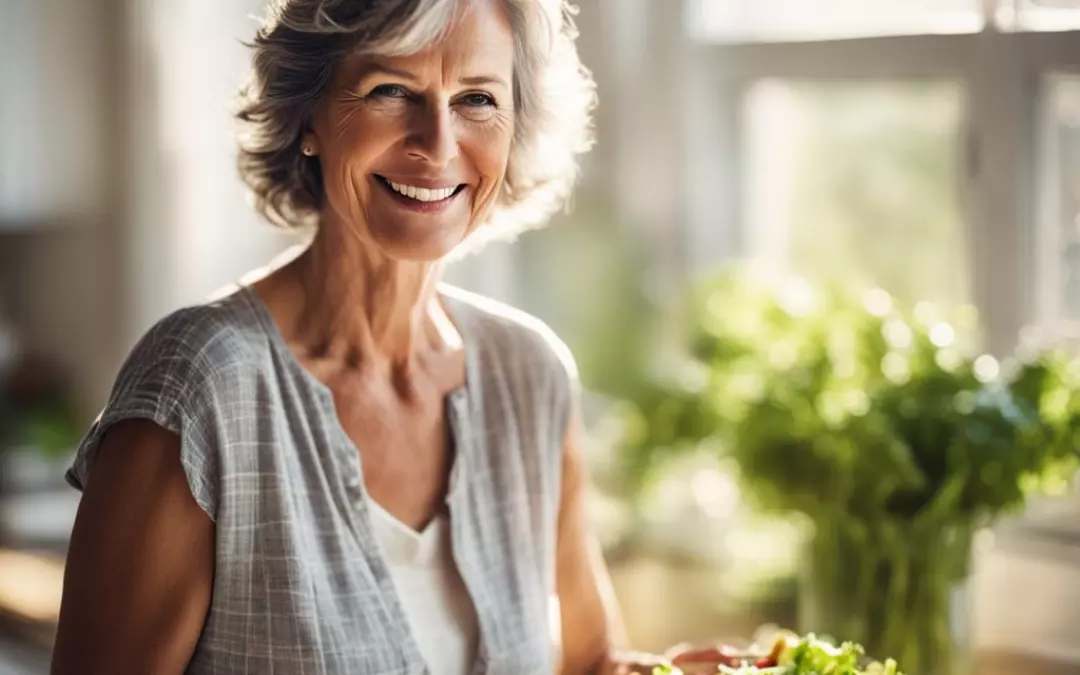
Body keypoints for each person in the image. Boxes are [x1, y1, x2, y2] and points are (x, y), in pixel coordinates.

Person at [49, 0, 688, 673]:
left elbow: (587, 659)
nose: (437, 144)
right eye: (391, 90)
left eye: (476, 99)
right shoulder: (200, 387)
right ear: (309, 116)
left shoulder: (529, 374)